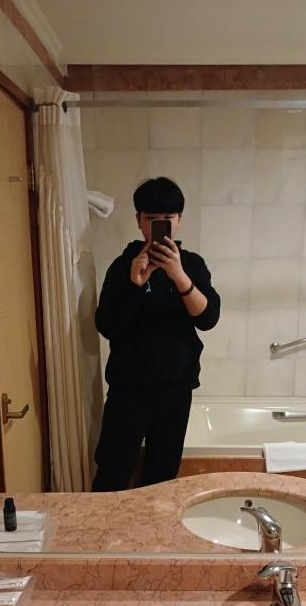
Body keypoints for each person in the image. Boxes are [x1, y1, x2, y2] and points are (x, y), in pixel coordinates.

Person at [91, 177, 220, 491]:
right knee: (112, 472)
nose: (160, 225)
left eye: (168, 218)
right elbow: (106, 325)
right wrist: (134, 285)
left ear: (179, 220)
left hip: (176, 389)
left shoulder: (192, 265)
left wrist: (178, 275)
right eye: (151, 218)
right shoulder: (123, 266)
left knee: (162, 477)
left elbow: (208, 318)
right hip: (128, 390)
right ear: (138, 220)